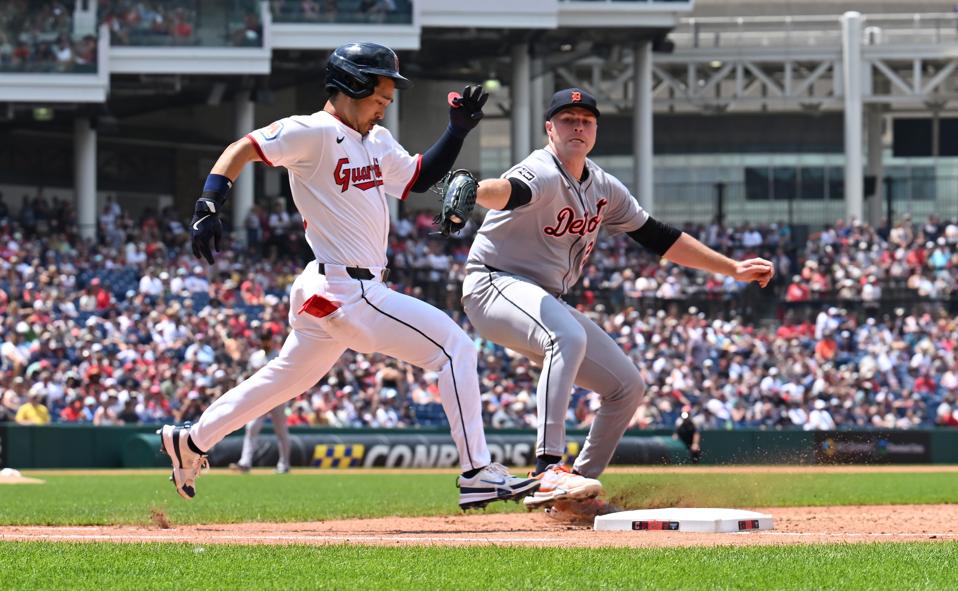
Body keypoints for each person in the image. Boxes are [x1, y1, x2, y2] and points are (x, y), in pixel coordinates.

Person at [159, 42, 538, 510]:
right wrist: (208, 204)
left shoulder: (375, 141)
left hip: (338, 288)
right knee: (454, 348)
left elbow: (417, 179)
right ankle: (478, 471)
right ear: (353, 85)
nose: (385, 106)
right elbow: (244, 148)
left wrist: (456, 131)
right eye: (380, 96)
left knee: (284, 381)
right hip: (346, 287)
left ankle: (192, 440)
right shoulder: (312, 132)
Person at [460, 87, 774, 509]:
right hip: (493, 285)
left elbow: (658, 237)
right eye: (568, 119)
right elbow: (511, 191)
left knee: (626, 386)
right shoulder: (543, 169)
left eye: (586, 120)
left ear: (595, 131)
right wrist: (476, 191)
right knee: (566, 337)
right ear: (549, 129)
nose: (578, 126)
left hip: (540, 298)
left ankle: (575, 489)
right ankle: (548, 468)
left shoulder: (603, 186)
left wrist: (732, 269)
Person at [229, 332, 292, 474]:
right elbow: (251, 376)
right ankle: (245, 463)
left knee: (281, 431)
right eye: (263, 340)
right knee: (251, 427)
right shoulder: (256, 357)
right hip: (261, 398)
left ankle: (284, 464)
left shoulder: (280, 354)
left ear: (271, 340)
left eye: (267, 340)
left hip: (278, 397)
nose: (265, 343)